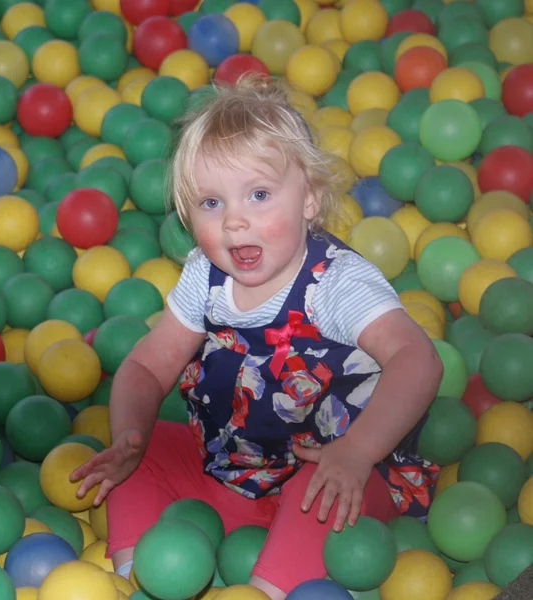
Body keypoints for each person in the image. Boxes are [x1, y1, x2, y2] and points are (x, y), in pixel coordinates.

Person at [71, 76, 443, 600]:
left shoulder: (334, 284)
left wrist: (357, 452)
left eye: (260, 195)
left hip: (337, 474)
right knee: (144, 448)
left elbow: (418, 359)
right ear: (186, 214)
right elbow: (146, 367)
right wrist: (129, 436)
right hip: (237, 466)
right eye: (211, 203)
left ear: (310, 198)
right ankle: (134, 580)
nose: (235, 222)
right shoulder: (205, 275)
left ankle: (266, 589)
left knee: (316, 501)